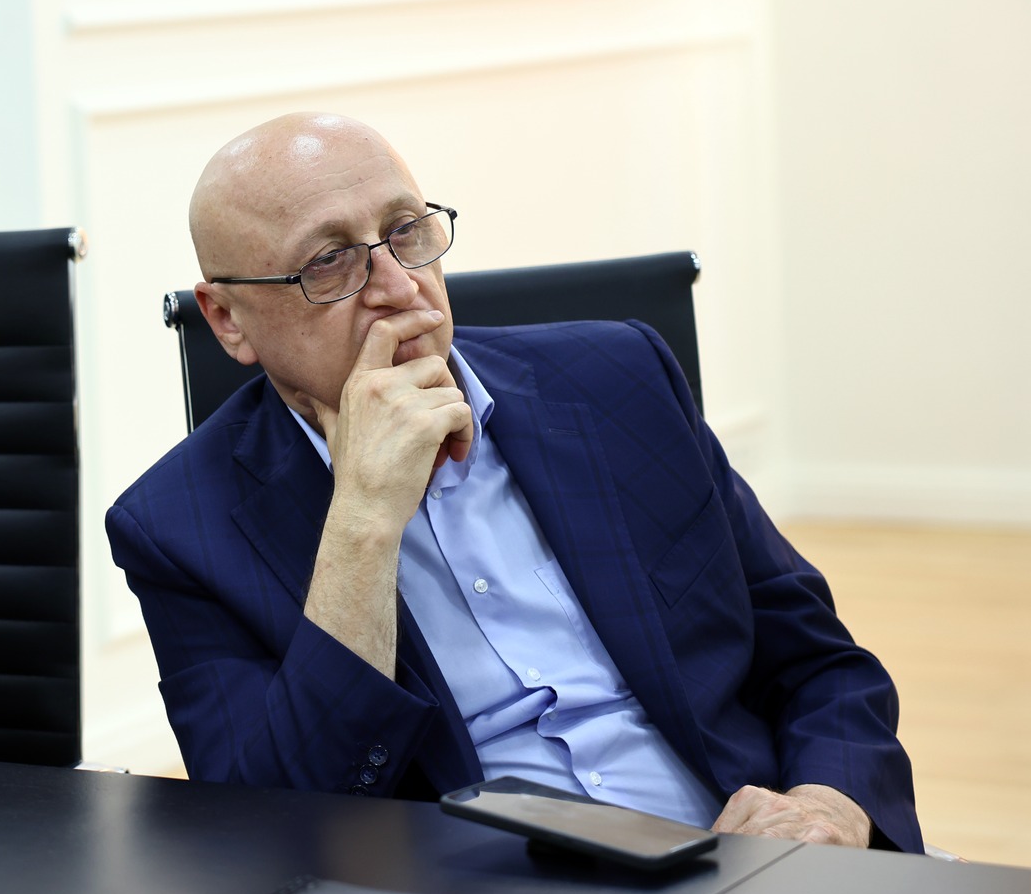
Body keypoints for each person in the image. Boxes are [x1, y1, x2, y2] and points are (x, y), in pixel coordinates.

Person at [107, 112, 920, 851]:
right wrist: (362, 520)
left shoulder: (619, 379)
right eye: (329, 262)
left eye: (406, 231)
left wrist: (826, 803)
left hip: (745, 861)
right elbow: (274, 824)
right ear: (227, 320)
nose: (400, 286)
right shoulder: (177, 526)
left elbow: (819, 663)